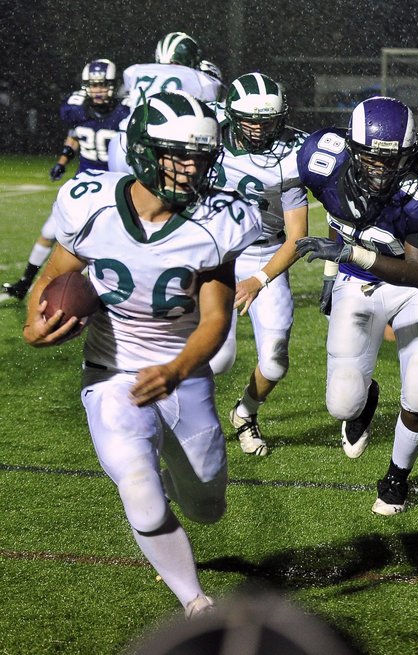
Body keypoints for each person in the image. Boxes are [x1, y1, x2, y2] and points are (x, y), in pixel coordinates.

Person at [21, 91, 262, 615]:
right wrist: (33, 325)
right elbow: (57, 274)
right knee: (138, 486)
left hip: (184, 375)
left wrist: (176, 369)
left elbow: (216, 318)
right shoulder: (90, 202)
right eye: (178, 154)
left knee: (207, 508)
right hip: (110, 375)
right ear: (144, 150)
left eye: (200, 156)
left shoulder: (220, 219)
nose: (191, 166)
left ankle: (181, 485)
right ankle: (195, 601)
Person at [295, 96, 418, 515]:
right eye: (370, 157)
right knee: (342, 405)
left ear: (411, 154)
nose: (380, 167)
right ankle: (366, 399)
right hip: (356, 283)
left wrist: (346, 258)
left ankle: (396, 478)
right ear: (351, 147)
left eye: (393, 159)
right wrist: (334, 274)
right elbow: (333, 217)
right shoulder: (321, 158)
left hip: (416, 289)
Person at [207, 73, 309, 457]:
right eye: (249, 119)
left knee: (276, 360)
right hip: (216, 252)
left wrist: (259, 279)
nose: (257, 128)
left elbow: (297, 236)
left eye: (266, 120)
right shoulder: (209, 133)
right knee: (218, 358)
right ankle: (183, 421)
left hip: (265, 255)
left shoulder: (291, 154)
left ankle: (245, 413)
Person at [3, 59, 129, 300]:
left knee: (114, 241)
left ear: (113, 85)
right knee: (49, 231)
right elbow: (75, 135)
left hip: (115, 185)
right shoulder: (78, 110)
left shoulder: (124, 112)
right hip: (85, 184)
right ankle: (24, 282)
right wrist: (62, 161)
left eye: (103, 84)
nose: (98, 89)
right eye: (93, 85)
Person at [108, 32, 222, 174]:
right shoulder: (198, 78)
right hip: (158, 146)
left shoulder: (134, 70)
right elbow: (213, 99)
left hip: (121, 140)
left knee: (120, 193)